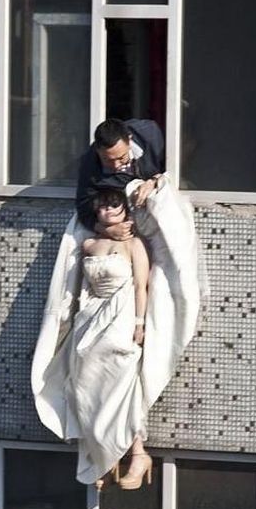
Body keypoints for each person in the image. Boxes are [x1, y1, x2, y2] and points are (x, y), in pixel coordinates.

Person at [32, 153, 203, 487]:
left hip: (121, 315)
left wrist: (139, 323)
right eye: (102, 208)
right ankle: (102, 455)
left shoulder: (135, 245)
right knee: (85, 383)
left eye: (113, 206)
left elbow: (141, 286)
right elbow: (78, 284)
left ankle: (137, 452)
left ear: (125, 211)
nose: (107, 211)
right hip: (91, 316)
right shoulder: (89, 243)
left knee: (123, 383)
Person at [76, 118, 165, 238]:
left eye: (121, 158)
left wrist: (154, 181)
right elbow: (84, 208)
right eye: (108, 160)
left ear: (129, 140)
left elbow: (176, 167)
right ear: (98, 150)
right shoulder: (89, 164)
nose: (116, 165)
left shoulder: (152, 134)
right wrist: (106, 230)